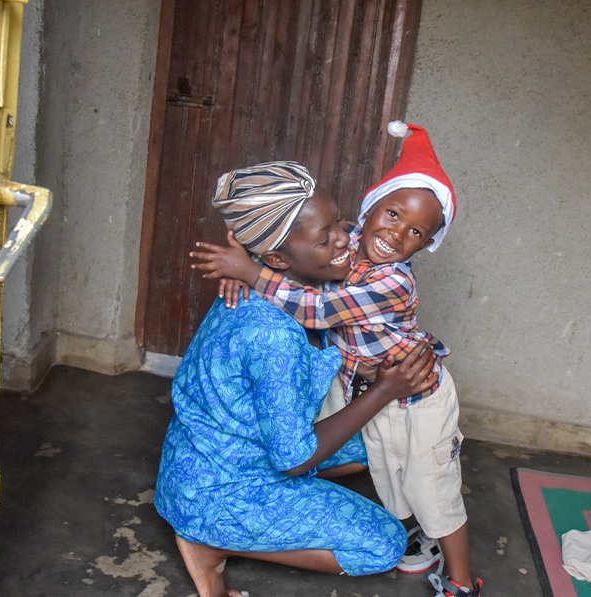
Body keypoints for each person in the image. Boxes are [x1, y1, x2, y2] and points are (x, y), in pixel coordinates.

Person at [191, 122, 481, 596]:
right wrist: (247, 261)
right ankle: (420, 536)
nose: (395, 235)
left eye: (415, 233)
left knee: (432, 486)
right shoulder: (346, 240)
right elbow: (289, 241)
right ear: (367, 212)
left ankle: (462, 581)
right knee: (390, 473)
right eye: (390, 215)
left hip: (415, 393)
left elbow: (317, 307)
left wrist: (247, 270)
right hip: (376, 388)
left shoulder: (392, 280)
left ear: (425, 244)